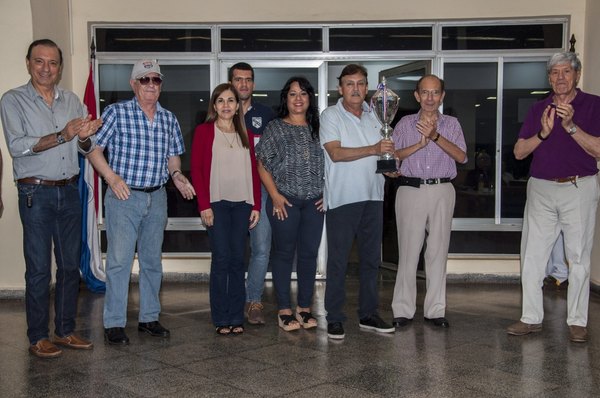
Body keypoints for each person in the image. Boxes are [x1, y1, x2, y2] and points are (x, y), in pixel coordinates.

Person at [0, 39, 101, 358]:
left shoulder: (72, 101)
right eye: (39, 61)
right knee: (40, 269)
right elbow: (17, 146)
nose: (46, 68)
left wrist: (84, 137)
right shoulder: (12, 100)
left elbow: (84, 148)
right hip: (35, 192)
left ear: (59, 68)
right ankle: (37, 336)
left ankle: (66, 331)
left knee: (71, 267)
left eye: (53, 63)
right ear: (28, 63)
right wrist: (63, 135)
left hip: (70, 190)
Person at [87, 59, 196, 345]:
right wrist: (112, 178)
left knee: (151, 262)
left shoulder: (168, 118)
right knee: (120, 262)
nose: (150, 85)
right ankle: (114, 322)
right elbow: (93, 150)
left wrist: (177, 174)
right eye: (144, 80)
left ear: (161, 85)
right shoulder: (116, 112)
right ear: (133, 84)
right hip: (124, 197)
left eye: (156, 80)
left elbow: (173, 155)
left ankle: (149, 317)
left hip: (157, 196)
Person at [507, 52, 600, 343]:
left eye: (566, 72)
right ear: (549, 78)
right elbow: (519, 152)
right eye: (555, 73)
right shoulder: (538, 108)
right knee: (533, 256)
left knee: (578, 258)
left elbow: (598, 150)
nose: (560, 78)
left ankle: (577, 321)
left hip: (579, 187)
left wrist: (571, 126)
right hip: (541, 188)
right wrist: (544, 134)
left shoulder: (594, 105)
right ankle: (530, 318)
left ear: (577, 75)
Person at [320, 64, 395, 339]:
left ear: (367, 88)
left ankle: (368, 314)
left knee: (371, 260)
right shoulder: (330, 115)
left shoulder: (377, 117)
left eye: (361, 83)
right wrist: (374, 149)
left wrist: (390, 166)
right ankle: (335, 317)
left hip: (374, 197)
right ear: (340, 88)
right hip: (342, 199)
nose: (355, 89)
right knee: (338, 261)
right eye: (349, 84)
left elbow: (384, 155)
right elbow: (336, 154)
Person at [390, 74, 467, 329]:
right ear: (417, 95)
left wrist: (435, 137)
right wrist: (419, 144)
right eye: (425, 92)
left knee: (437, 252)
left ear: (442, 96)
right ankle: (403, 309)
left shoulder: (452, 124)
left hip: (442, 189)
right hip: (410, 190)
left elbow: (462, 156)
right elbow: (395, 156)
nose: (430, 98)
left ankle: (435, 310)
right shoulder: (404, 123)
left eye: (435, 93)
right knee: (409, 252)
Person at [190, 83, 261, 336]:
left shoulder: (246, 133)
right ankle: (221, 317)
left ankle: (235, 316)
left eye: (231, 100)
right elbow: (196, 170)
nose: (226, 105)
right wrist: (204, 205)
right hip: (217, 205)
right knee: (221, 259)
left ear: (237, 105)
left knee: (237, 260)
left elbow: (254, 170)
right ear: (214, 105)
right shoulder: (204, 131)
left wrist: (256, 205)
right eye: (220, 101)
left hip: (242, 205)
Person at [255, 77, 324, 332]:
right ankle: (284, 310)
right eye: (293, 94)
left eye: (303, 94)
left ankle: (304, 308)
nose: (298, 99)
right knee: (284, 254)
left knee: (308, 254)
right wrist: (273, 194)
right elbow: (262, 163)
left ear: (310, 99)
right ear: (286, 98)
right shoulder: (276, 128)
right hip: (285, 201)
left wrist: (327, 192)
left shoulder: (319, 127)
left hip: (314, 203)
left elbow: (332, 162)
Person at [229, 62, 275, 325]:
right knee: (232, 248)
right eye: (238, 79)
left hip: (261, 189)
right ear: (231, 82)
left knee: (261, 247)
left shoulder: (266, 114)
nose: (243, 84)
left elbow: (274, 153)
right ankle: (233, 299)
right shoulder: (221, 112)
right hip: (231, 189)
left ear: (253, 85)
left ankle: (253, 299)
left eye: (248, 80)